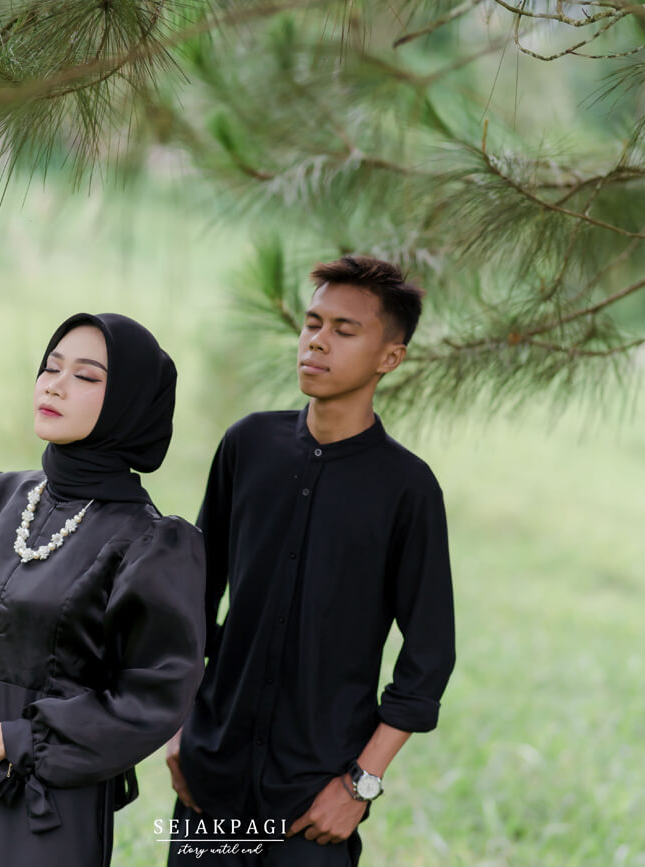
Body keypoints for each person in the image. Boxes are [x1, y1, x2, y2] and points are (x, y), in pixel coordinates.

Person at [164, 256, 456, 866]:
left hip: (314, 804)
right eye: (312, 323)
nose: (317, 341)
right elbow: (189, 600)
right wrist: (177, 733)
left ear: (390, 357)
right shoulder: (247, 445)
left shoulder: (407, 489)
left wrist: (359, 786)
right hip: (210, 783)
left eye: (344, 330)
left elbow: (429, 656)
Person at [0, 312, 207, 867]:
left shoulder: (151, 545)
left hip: (49, 798)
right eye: (51, 367)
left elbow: (153, 697)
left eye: (86, 376)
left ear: (129, 404)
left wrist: (11, 741)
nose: (55, 385)